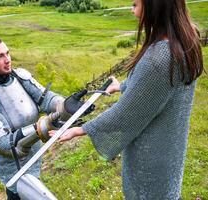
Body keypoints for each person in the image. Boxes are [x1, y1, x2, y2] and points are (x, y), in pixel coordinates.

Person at [51, 0, 204, 199]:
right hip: (170, 148)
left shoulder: (159, 58)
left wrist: (81, 129)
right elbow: (157, 88)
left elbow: (126, 113)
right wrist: (122, 86)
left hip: (151, 156)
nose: (132, 10)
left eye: (135, 4)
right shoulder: (186, 39)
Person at [0, 37, 93, 200]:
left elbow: (45, 100)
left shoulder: (19, 77)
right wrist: (43, 126)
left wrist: (67, 105)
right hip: (14, 170)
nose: (7, 60)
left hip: (34, 159)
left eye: (7, 53)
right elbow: (5, 144)